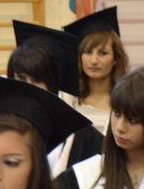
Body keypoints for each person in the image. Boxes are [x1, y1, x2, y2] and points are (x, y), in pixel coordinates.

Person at [11, 20, 104, 176]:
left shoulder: (84, 137)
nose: (28, 87)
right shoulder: (3, 125)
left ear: (54, 83)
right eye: (21, 79)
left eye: (37, 80)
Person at [63, 6, 130, 134]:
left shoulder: (127, 99)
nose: (94, 60)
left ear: (115, 59)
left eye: (103, 53)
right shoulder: (69, 98)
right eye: (88, 52)